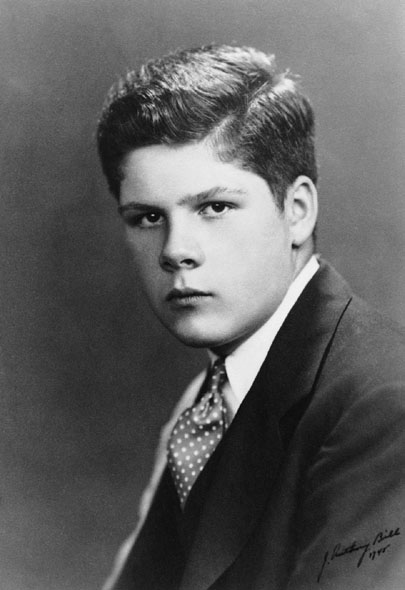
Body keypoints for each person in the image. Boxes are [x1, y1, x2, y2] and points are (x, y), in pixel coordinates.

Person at [97, 44, 405, 590]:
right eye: (146, 217)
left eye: (214, 207)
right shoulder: (202, 405)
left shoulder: (382, 403)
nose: (176, 250)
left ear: (297, 211)